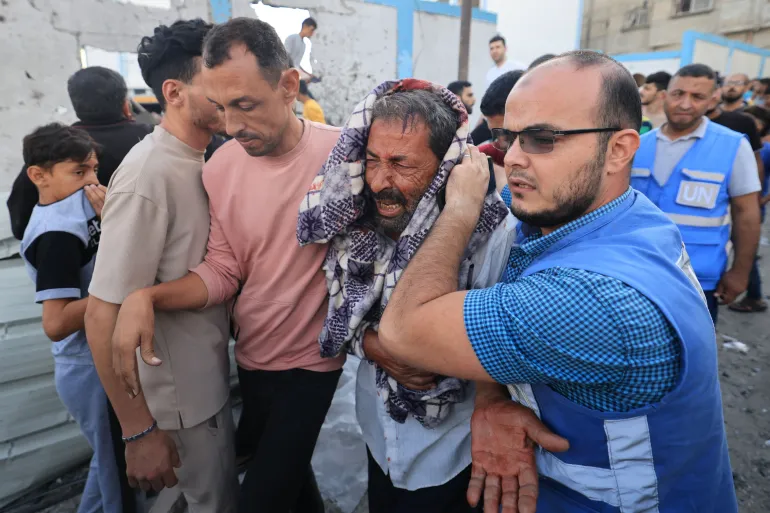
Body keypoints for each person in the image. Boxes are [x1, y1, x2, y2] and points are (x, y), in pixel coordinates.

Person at [376, 50, 738, 513]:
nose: (513, 158)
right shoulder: (613, 214)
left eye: (542, 139)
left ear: (620, 149)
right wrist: (492, 396)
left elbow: (403, 331)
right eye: (508, 137)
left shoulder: (593, 300)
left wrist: (461, 209)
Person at [109, 17, 344, 512]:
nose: (232, 126)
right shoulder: (220, 167)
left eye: (245, 105)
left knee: (261, 497)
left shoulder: (343, 154)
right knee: (288, 482)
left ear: (288, 86)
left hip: (314, 362)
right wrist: (147, 297)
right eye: (220, 107)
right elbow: (223, 268)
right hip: (252, 357)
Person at [296, 80, 553, 513]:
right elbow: (335, 314)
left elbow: (498, 345)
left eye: (402, 164)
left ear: (446, 167)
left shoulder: (494, 236)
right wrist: (375, 346)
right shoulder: (356, 225)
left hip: (453, 450)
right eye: (372, 160)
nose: (380, 181)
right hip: (377, 433)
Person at [85, 19, 239, 512]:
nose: (232, 92)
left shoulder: (199, 159)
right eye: (217, 81)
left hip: (201, 390)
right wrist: (138, 430)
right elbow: (101, 315)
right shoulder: (148, 175)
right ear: (174, 92)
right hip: (178, 409)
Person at [19, 123, 122, 513]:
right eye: (79, 171)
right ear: (39, 176)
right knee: (118, 473)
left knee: (109, 462)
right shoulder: (57, 233)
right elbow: (56, 322)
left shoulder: (83, 204)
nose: (92, 180)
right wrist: (120, 291)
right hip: (86, 364)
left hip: (101, 351)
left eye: (94, 168)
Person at [631, 63, 761, 324]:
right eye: (678, 94)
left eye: (697, 96)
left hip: (697, 280)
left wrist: (740, 272)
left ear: (712, 100)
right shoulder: (638, 145)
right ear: (665, 96)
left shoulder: (733, 146)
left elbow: (747, 214)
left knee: (692, 349)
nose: (685, 104)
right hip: (636, 274)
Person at [7, 67, 152, 241]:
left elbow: (20, 223)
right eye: (79, 172)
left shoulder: (57, 149)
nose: (93, 181)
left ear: (75, 105)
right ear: (125, 104)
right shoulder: (154, 139)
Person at [730, 105, 770, 313]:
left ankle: (754, 296)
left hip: (752, 208)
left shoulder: (764, 149)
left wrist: (761, 200)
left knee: (745, 251)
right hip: (745, 205)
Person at [472, 70, 524, 190]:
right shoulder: (490, 153)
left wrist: (499, 177)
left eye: (507, 134)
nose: (501, 143)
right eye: (495, 134)